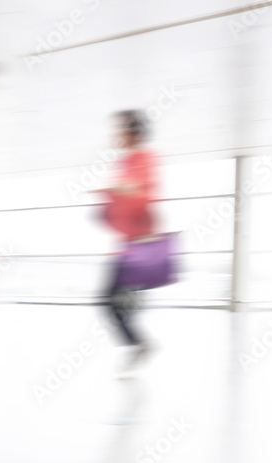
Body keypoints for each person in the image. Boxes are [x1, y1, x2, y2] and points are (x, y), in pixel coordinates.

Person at [95, 110, 158, 370]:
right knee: (111, 302)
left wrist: (115, 189)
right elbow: (122, 204)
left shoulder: (144, 158)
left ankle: (139, 344)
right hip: (125, 247)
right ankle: (138, 344)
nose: (116, 134)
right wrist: (107, 205)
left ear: (133, 132)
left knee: (110, 301)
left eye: (120, 129)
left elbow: (142, 192)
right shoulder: (125, 162)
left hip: (139, 246)